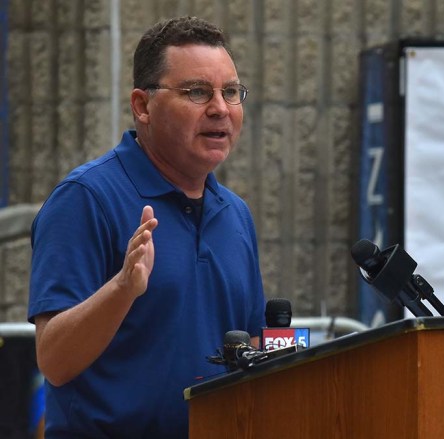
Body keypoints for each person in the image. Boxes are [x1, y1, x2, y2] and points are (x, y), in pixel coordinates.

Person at [27, 16, 265, 438]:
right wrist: (122, 289)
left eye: (231, 92)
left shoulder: (235, 215)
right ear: (142, 105)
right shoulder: (87, 198)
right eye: (197, 92)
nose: (220, 108)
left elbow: (254, 355)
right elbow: (55, 361)